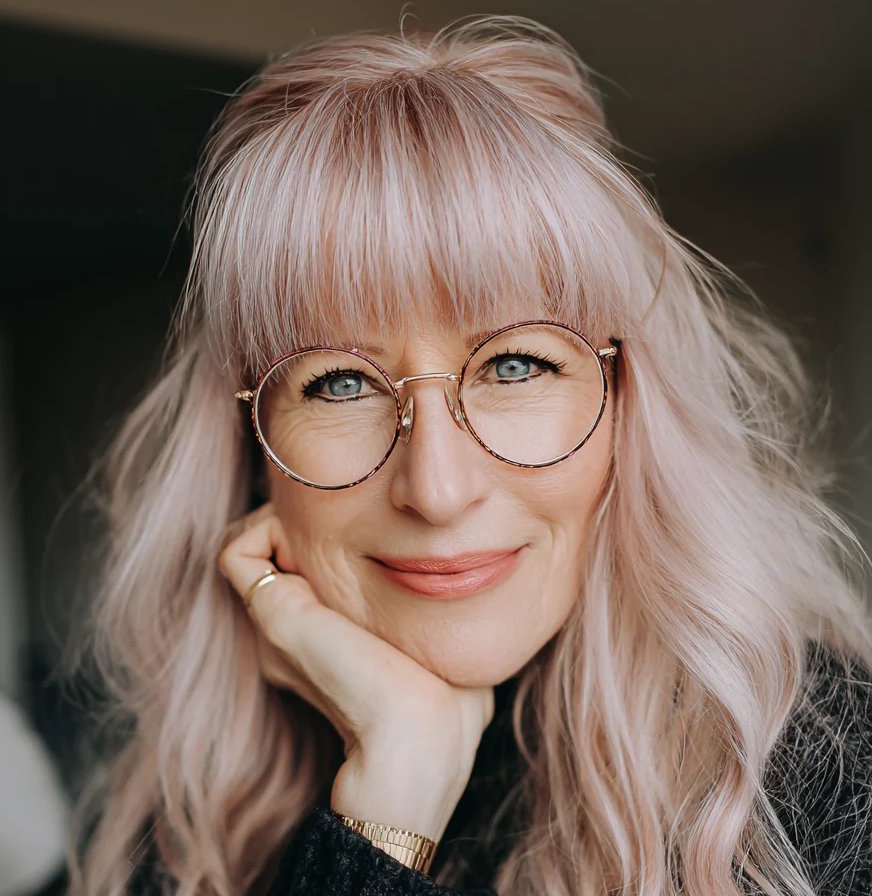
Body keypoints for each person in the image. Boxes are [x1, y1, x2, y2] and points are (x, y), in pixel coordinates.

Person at [60, 14, 872, 896]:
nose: (437, 489)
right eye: (340, 383)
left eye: (516, 365)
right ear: (250, 441)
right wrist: (388, 803)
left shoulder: (820, 768)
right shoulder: (180, 809)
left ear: (629, 402)